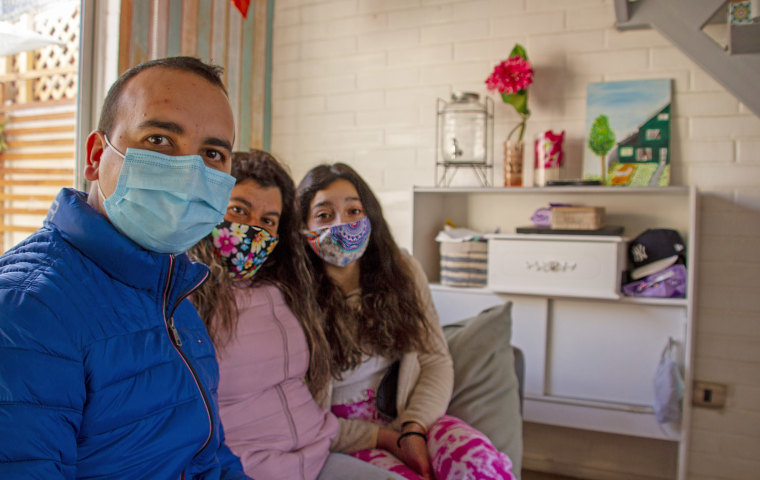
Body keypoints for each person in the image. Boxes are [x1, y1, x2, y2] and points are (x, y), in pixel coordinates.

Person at [0, 57, 250, 479]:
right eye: (159, 139)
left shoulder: (175, 297)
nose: (191, 173)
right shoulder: (27, 310)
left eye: (212, 153)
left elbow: (210, 458)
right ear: (97, 156)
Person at [189, 150, 404, 480]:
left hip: (318, 458)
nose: (252, 230)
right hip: (246, 470)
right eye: (238, 210)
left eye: (268, 221)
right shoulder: (185, 295)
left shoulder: (287, 288)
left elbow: (306, 405)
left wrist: (382, 436)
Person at [297, 163, 515, 480]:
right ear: (302, 228)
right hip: (344, 440)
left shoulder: (403, 272)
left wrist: (413, 428)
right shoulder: (292, 297)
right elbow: (296, 414)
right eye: (324, 215)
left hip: (410, 419)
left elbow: (435, 360)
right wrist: (384, 439)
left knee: (482, 468)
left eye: (354, 210)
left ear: (370, 216)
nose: (342, 224)